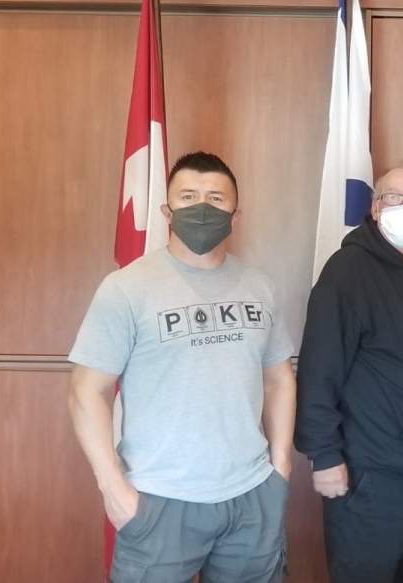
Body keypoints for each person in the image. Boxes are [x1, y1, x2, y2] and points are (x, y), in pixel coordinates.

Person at [68, 151, 296, 582]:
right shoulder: (127, 289)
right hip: (158, 500)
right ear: (167, 211)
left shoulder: (261, 287)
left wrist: (280, 466)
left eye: (215, 197)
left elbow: (280, 377)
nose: (202, 207)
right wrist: (112, 487)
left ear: (236, 213)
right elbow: (86, 391)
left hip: (251, 498)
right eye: (188, 196)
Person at [295, 165, 403, 583]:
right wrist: (324, 455)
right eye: (394, 197)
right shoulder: (346, 272)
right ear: (375, 207)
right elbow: (318, 367)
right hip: (369, 473)